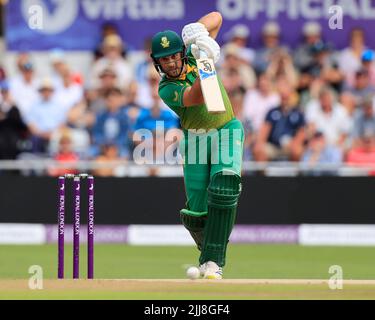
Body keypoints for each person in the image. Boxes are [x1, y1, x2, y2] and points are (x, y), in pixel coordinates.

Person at [151, 11, 244, 279]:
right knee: (196, 213)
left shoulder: (194, 53)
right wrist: (208, 62)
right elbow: (196, 96)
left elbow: (217, 17)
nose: (170, 62)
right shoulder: (167, 88)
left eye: (173, 55)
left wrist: (198, 32)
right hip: (196, 139)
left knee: (225, 186)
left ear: (181, 52)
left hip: (226, 128)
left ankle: (215, 262)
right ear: (158, 63)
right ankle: (208, 255)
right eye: (164, 59)